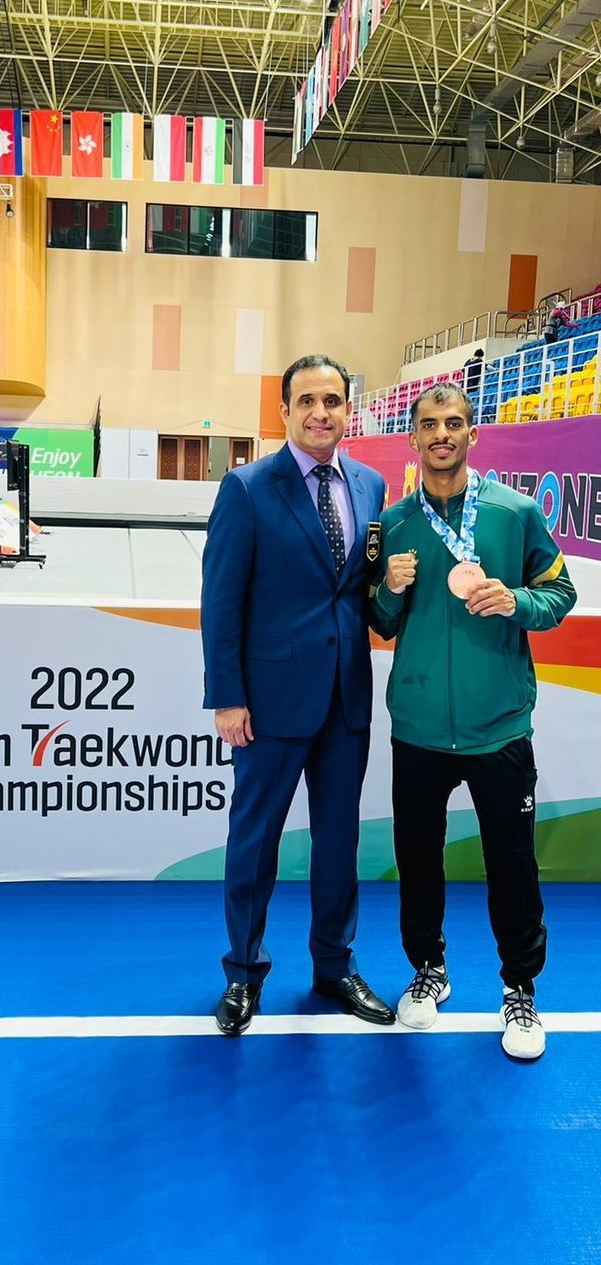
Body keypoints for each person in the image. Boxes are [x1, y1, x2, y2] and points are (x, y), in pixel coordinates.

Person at [369, 381, 576, 1060]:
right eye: (430, 424)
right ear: (413, 436)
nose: (442, 435)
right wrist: (388, 588)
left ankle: (520, 989)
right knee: (417, 859)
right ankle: (429, 970)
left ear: (472, 433)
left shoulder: (515, 513)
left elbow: (560, 592)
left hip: (499, 728)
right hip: (420, 728)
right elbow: (382, 621)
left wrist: (515, 601)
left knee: (511, 864)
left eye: (454, 423)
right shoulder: (394, 523)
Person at [201, 354, 394, 1036]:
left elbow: (361, 589)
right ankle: (243, 973)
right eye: (307, 401)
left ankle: (335, 966)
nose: (320, 413)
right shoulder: (247, 487)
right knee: (255, 844)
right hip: (270, 702)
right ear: (284, 411)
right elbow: (221, 601)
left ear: (348, 411)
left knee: (339, 844)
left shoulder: (371, 485)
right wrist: (228, 696)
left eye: (332, 401)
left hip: (346, 698)